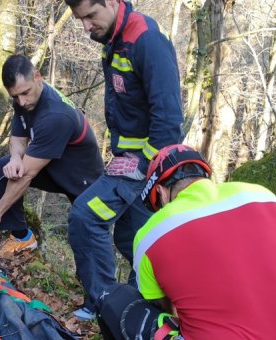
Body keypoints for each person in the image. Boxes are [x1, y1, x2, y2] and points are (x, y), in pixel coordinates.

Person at [112, 144, 276, 338]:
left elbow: (170, 311)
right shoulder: (263, 196)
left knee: (120, 301)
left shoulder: (151, 233)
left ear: (161, 193)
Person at [64, 0, 185, 320]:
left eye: (91, 16)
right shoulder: (114, 41)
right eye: (80, 20)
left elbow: (170, 121)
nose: (86, 27)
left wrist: (143, 166)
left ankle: (102, 302)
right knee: (134, 238)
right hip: (126, 160)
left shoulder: (147, 41)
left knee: (86, 217)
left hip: (145, 165)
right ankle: (147, 307)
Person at [0, 55, 104, 258]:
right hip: (56, 167)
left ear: (37, 77)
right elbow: (19, 136)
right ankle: (22, 238)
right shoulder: (24, 99)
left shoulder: (55, 116)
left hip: (85, 181)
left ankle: (96, 285)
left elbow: (27, 175)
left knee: (86, 232)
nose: (21, 101)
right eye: (15, 96)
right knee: (7, 167)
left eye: (24, 93)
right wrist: (15, 158)